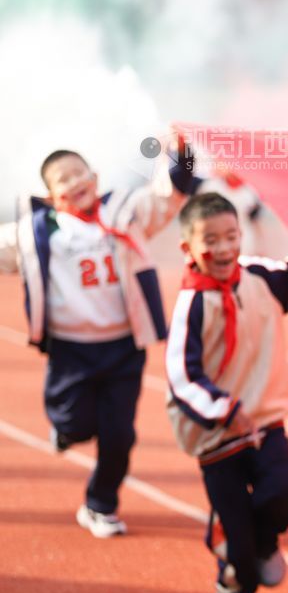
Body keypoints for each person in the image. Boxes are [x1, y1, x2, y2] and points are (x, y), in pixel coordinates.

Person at [0, 136, 198, 537]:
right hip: (71, 351)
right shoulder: (36, 233)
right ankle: (66, 428)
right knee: (74, 425)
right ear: (52, 196)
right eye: (63, 180)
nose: (74, 182)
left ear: (95, 177)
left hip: (124, 347)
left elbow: (172, 193)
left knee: (120, 434)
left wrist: (180, 152)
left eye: (78, 173)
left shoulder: (126, 211)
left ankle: (100, 504)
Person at [164, 192, 288, 593]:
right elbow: (182, 375)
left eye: (231, 236)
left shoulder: (257, 275)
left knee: (281, 495)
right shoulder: (192, 304)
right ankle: (235, 587)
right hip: (217, 434)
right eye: (210, 240)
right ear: (188, 249)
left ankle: (262, 543)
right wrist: (223, 408)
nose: (223, 248)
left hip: (265, 422)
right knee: (235, 531)